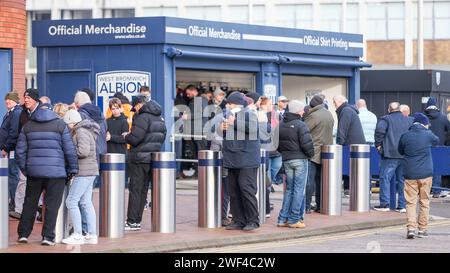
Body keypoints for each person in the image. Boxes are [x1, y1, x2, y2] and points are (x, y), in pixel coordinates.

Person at [15, 99, 78, 246]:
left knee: (29, 203)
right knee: (52, 205)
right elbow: (69, 151)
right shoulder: (60, 125)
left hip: (34, 172)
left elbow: (19, 152)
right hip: (56, 173)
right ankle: (48, 237)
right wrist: (72, 169)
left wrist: (26, 169)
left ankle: (23, 234)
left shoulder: (28, 126)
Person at [219, 92, 261, 231]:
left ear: (236, 104)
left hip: (246, 160)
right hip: (232, 159)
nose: (227, 106)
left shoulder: (249, 114)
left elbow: (254, 128)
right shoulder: (230, 116)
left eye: (229, 104)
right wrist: (223, 130)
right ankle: (238, 220)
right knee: (234, 192)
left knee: (246, 190)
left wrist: (234, 123)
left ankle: (253, 220)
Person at [124, 95, 166, 231]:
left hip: (138, 158)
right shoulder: (159, 117)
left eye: (134, 107)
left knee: (135, 189)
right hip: (151, 159)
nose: (134, 111)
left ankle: (131, 221)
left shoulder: (142, 117)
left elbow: (135, 139)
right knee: (143, 190)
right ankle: (137, 220)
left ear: (138, 105)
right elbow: (162, 136)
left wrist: (126, 136)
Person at [398, 113, 439, 239]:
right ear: (423, 124)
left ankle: (411, 228)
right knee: (424, 202)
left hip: (410, 174)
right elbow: (436, 140)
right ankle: (422, 230)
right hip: (426, 174)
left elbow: (400, 151)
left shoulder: (405, 136)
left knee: (410, 202)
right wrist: (427, 130)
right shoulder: (428, 134)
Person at [62, 110, 99, 245]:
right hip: (90, 171)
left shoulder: (80, 131)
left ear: (72, 121)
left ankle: (78, 234)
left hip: (83, 172)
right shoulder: (86, 130)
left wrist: (70, 152)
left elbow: (83, 151)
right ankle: (92, 235)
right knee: (85, 202)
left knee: (71, 201)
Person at [277, 100, 314, 228]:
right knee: (299, 190)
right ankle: (294, 219)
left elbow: (276, 144)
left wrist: (285, 153)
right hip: (300, 160)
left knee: (289, 190)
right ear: (298, 110)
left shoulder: (281, 124)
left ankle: (282, 219)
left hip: (286, 159)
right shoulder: (300, 125)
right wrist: (310, 155)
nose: (304, 111)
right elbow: (307, 144)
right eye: (302, 109)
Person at [10, 89, 42, 220]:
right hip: (26, 153)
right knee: (23, 181)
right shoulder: (23, 113)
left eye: (29, 98)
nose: (26, 100)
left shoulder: (43, 112)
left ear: (35, 99)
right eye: (25, 98)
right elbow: (19, 133)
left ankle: (40, 208)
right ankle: (18, 209)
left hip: (39, 153)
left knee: (38, 182)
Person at [374, 102, 412, 212]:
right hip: (404, 154)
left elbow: (379, 132)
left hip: (390, 154)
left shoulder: (385, 119)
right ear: (399, 109)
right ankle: (402, 206)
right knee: (402, 180)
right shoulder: (409, 120)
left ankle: (384, 204)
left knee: (385, 178)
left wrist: (379, 146)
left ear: (389, 109)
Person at [304, 95, 334, 213]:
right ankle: (320, 205)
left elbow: (304, 130)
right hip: (326, 151)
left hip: (313, 152)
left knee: (309, 181)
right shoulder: (328, 114)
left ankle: (306, 206)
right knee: (321, 181)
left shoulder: (313, 115)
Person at [333, 95, 366, 193]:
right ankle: (352, 190)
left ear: (337, 102)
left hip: (350, 145)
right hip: (356, 145)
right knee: (354, 171)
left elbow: (342, 130)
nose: (334, 105)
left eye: (334, 103)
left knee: (350, 170)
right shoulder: (349, 110)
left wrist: (339, 145)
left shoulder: (345, 111)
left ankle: (351, 191)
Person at [424, 97, 450, 198]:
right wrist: (445, 143)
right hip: (439, 147)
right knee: (437, 170)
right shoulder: (443, 118)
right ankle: (436, 191)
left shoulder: (422, 117)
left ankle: (425, 190)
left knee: (424, 169)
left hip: (424, 146)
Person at [0, 92, 22, 212]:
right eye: (6, 100)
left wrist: (5, 148)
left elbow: (14, 133)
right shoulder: (11, 113)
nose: (7, 102)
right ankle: (12, 202)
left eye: (10, 100)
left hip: (12, 150)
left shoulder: (16, 113)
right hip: (10, 150)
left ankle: (14, 203)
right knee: (11, 176)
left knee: (13, 176)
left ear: (15, 101)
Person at [259, 97, 281, 218]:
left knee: (272, 174)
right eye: (269, 104)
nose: (272, 106)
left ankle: (267, 193)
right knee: (265, 179)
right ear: (263, 105)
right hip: (265, 153)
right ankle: (265, 203)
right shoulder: (259, 116)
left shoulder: (276, 115)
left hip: (276, 151)